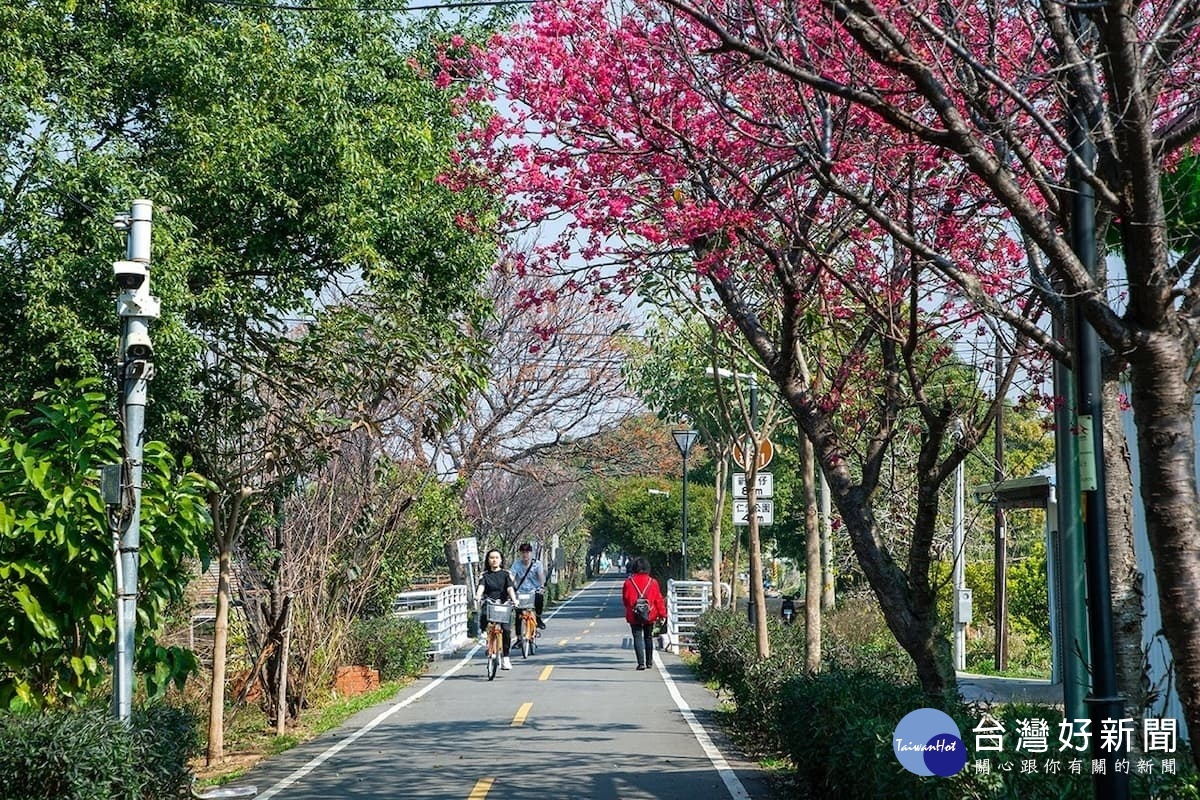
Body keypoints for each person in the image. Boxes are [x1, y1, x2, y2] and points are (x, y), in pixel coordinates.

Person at [476, 548, 519, 670]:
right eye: (491, 558)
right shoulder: (485, 575)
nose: (494, 560)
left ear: (501, 560)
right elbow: (481, 586)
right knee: (484, 612)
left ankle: (505, 658)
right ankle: (483, 632)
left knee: (506, 630)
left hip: (503, 604)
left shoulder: (506, 574)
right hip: (490, 602)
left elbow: (510, 588)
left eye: (496, 557)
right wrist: (478, 596)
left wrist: (514, 600)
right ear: (488, 560)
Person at [622, 556, 667, 670]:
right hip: (650, 614)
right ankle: (649, 662)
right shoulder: (653, 582)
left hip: (634, 614)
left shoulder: (628, 583)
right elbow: (658, 599)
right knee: (648, 637)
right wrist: (662, 614)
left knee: (637, 637)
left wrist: (632, 608)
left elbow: (625, 600)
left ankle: (641, 663)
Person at [511, 542, 547, 629]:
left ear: (531, 553)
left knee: (539, 598)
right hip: (520, 591)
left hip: (534, 591)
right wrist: (509, 586)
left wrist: (541, 587)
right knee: (518, 613)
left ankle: (538, 618)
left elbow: (541, 576)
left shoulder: (537, 564)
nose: (525, 554)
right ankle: (519, 639)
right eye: (523, 552)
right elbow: (511, 576)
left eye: (527, 552)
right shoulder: (516, 564)